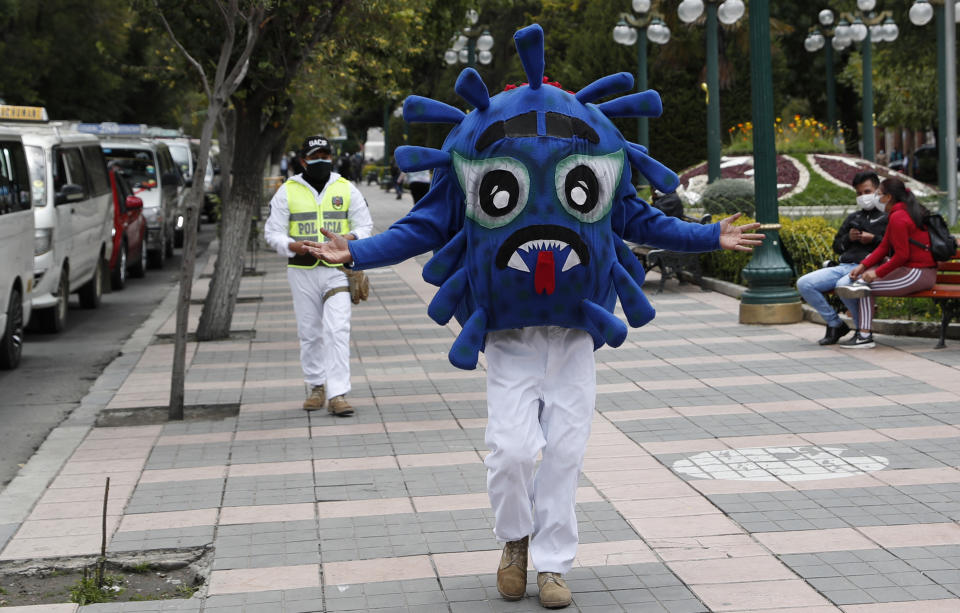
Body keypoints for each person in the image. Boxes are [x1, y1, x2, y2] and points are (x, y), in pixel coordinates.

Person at [303, 23, 763, 609]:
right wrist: (358, 251)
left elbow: (640, 220)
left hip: (575, 331)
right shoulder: (477, 142)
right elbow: (426, 225)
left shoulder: (597, 145)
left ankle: (551, 565)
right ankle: (515, 539)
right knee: (513, 451)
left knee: (566, 451)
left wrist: (708, 236)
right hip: (509, 335)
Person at [263, 135, 373, 415]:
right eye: (314, 156)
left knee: (337, 330)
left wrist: (346, 239)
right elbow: (272, 233)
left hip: (337, 271)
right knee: (310, 332)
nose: (321, 160)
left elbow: (365, 226)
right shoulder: (288, 191)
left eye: (325, 155)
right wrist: (291, 245)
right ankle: (316, 387)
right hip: (302, 270)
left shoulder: (346, 188)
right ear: (303, 161)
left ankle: (338, 394)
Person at [835, 177, 936, 348]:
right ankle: (864, 335)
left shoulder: (899, 217)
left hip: (919, 273)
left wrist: (876, 273)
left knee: (864, 288)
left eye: (878, 194)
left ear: (888, 197)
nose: (876, 198)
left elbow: (902, 256)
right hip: (912, 271)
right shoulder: (898, 213)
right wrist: (863, 266)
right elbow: (883, 247)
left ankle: (864, 337)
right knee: (862, 284)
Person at [795, 171, 887, 345]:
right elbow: (837, 246)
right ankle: (835, 324)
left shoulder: (887, 217)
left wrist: (873, 239)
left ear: (878, 191)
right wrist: (848, 238)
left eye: (867, 192)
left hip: (869, 267)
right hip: (844, 265)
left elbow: (893, 246)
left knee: (843, 285)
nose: (863, 197)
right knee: (804, 283)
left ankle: (863, 331)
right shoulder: (854, 217)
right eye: (859, 193)